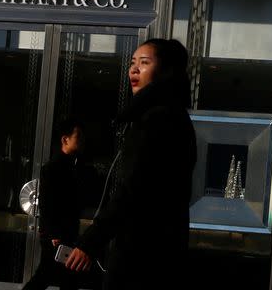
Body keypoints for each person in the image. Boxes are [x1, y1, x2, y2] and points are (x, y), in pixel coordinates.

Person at [65, 38, 197, 290]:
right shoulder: (171, 116)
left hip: (141, 252)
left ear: (165, 72)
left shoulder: (157, 120)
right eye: (132, 63)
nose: (134, 70)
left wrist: (91, 241)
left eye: (144, 63)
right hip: (160, 250)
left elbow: (133, 189)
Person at [23, 118, 86, 290]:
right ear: (65, 140)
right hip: (56, 235)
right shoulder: (54, 168)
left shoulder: (74, 165)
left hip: (64, 233)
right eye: (77, 136)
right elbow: (47, 203)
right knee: (47, 275)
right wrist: (53, 234)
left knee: (66, 277)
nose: (81, 140)